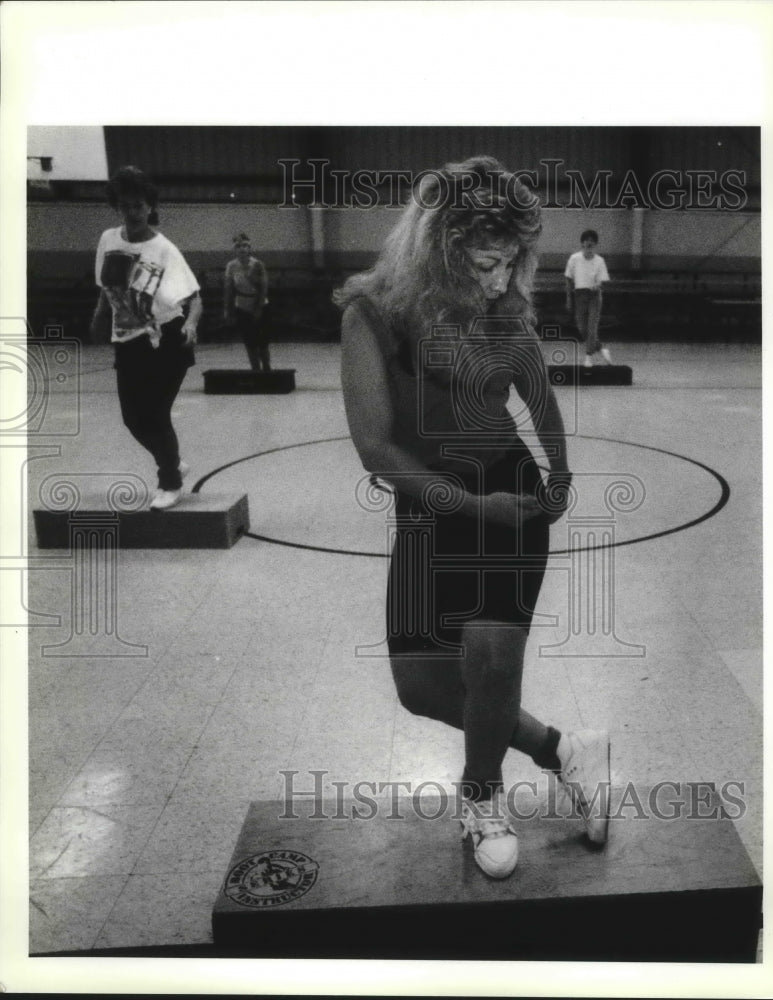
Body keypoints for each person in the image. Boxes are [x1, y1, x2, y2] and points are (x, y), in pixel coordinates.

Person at [336, 156, 610, 880]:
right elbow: (376, 448)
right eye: (486, 263)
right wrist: (466, 507)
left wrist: (559, 474)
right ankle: (563, 750)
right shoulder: (370, 316)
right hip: (433, 503)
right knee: (422, 688)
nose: (500, 280)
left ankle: (481, 797)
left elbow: (540, 399)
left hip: (507, 494)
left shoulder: (502, 315)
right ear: (437, 253)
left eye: (511, 262)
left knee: (490, 661)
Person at [90, 165, 202, 510]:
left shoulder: (164, 249)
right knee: (132, 418)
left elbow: (195, 297)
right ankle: (173, 461)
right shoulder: (109, 240)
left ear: (150, 207)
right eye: (125, 206)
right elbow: (106, 289)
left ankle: (169, 481)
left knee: (154, 413)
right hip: (127, 341)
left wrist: (191, 325)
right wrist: (98, 319)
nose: (132, 212)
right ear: (116, 208)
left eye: (138, 205)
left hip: (167, 339)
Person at [223, 233, 271, 372]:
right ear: (235, 249)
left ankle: (267, 369)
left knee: (263, 342)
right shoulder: (231, 266)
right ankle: (255, 370)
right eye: (238, 246)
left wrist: (258, 309)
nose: (242, 249)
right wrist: (227, 309)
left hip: (260, 304)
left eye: (245, 246)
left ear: (249, 248)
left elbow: (263, 289)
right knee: (249, 342)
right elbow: (228, 289)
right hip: (242, 306)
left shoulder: (258, 265)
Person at [564, 229, 612, 367]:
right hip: (579, 296)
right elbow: (568, 278)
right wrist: (568, 298)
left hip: (594, 297)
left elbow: (602, 280)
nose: (589, 243)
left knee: (592, 328)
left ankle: (588, 357)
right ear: (582, 243)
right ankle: (601, 348)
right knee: (582, 329)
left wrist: (597, 285)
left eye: (592, 241)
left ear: (595, 244)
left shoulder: (599, 261)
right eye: (586, 240)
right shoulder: (574, 259)